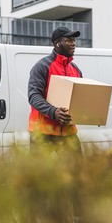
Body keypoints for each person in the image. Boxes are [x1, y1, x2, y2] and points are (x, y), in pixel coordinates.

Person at [28, 26, 83, 154]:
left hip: (69, 132)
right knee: (41, 173)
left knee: (76, 171)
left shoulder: (75, 70)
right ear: (57, 43)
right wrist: (53, 112)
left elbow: (79, 99)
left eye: (74, 40)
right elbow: (33, 95)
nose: (73, 43)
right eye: (69, 40)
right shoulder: (42, 66)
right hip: (43, 132)